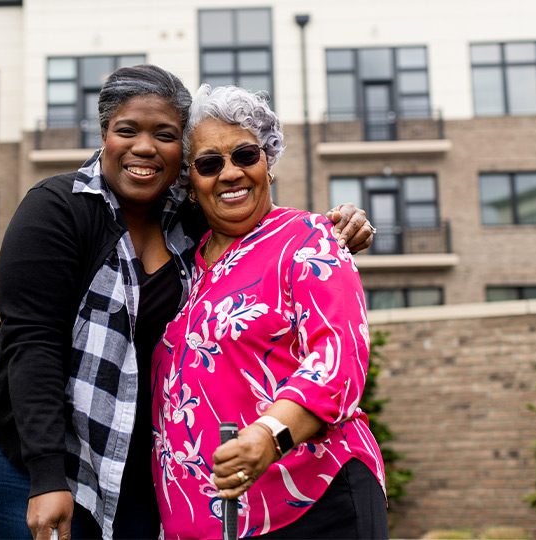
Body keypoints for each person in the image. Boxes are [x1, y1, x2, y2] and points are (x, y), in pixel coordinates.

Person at [0, 65, 375, 540]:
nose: (144, 147)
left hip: (142, 468)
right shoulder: (58, 208)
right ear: (105, 134)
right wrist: (46, 472)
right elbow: (32, 342)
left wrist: (342, 225)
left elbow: (299, 289)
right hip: (31, 456)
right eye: (127, 130)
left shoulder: (192, 226)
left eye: (164, 134)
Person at [151, 84, 388, 539]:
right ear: (190, 182)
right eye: (208, 163)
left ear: (268, 163)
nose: (229, 173)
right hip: (210, 525)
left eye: (244, 155)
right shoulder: (184, 268)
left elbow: (338, 360)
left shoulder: (310, 239)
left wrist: (268, 435)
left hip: (313, 506)